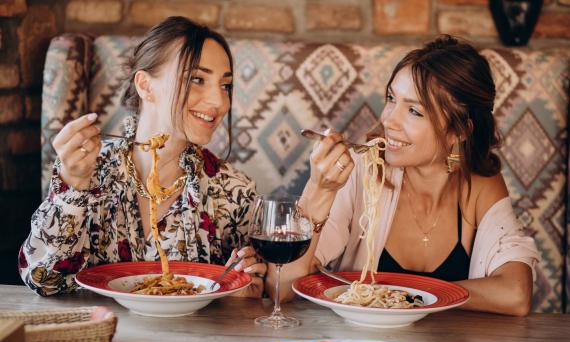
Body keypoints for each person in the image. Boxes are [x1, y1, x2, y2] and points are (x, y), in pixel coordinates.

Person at [268, 35, 540, 316]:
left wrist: (405, 297)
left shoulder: (479, 185)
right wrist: (319, 188)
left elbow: (515, 293)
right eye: (391, 99)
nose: (389, 119)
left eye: (414, 111)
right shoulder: (363, 168)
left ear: (460, 131)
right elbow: (284, 286)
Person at [19, 16, 265, 297]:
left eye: (225, 85)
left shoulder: (235, 191)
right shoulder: (88, 169)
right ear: (145, 86)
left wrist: (244, 291)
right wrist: (72, 186)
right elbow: (42, 280)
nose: (220, 102)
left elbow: (255, 293)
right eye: (197, 79)